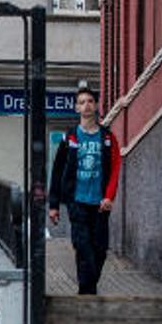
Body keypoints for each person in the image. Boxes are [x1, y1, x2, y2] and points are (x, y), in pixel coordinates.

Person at [48, 87, 122, 295]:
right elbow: (58, 170)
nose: (86, 105)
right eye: (82, 102)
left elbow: (115, 167)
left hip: (100, 204)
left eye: (90, 101)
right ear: (76, 108)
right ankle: (87, 293)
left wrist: (109, 196)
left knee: (99, 250)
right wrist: (54, 204)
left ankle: (87, 289)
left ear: (96, 106)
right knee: (83, 248)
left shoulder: (107, 138)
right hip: (77, 201)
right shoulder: (70, 137)